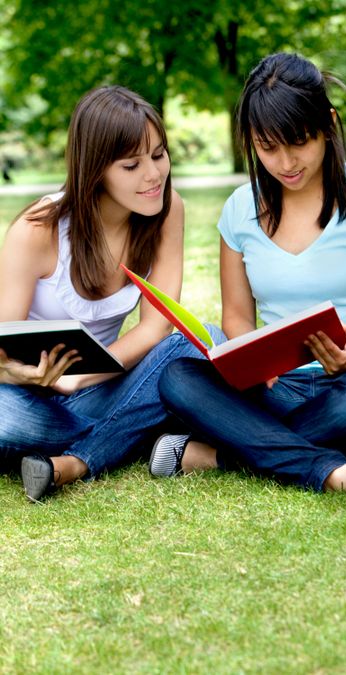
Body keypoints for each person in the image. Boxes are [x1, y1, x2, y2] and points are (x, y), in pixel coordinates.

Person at [150, 52, 346, 504]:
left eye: (298, 142)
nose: (285, 162)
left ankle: (215, 455)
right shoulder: (239, 210)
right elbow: (237, 317)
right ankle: (337, 469)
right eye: (267, 147)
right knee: (177, 377)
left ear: (328, 125)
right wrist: (254, 363)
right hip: (279, 388)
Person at [0, 85, 223, 502]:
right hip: (32, 399)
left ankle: (78, 460)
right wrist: (18, 373)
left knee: (205, 343)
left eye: (158, 155)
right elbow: (2, 347)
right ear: (96, 167)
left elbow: (157, 328)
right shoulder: (38, 229)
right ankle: (144, 433)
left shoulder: (166, 208)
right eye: (131, 165)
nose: (153, 175)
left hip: (106, 386)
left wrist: (79, 378)